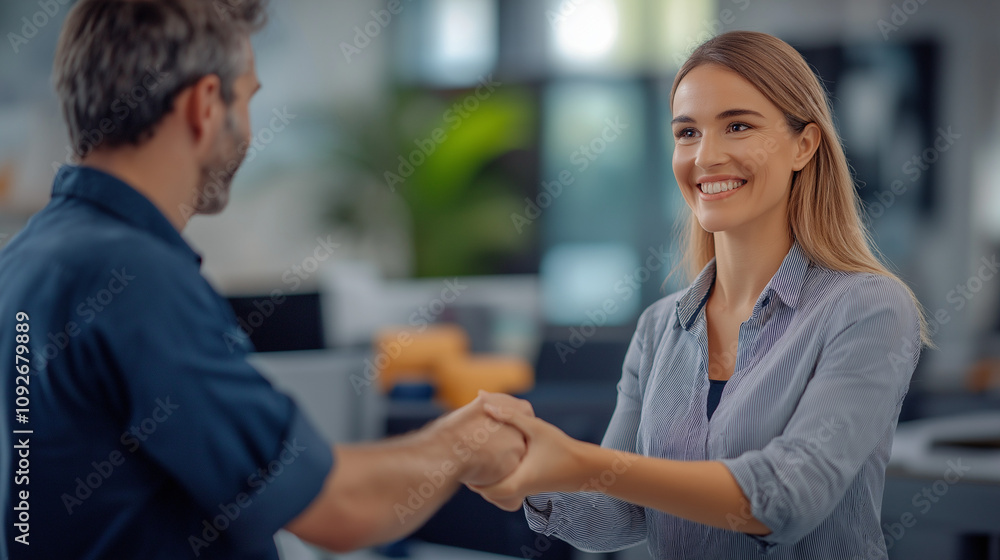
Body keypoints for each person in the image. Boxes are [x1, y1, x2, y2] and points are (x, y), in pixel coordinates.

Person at [0, 1, 531, 558]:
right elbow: (336, 509)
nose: (249, 131)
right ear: (206, 105)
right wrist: (462, 444)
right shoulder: (136, 281)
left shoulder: (27, 260)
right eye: (248, 99)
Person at [469, 31, 928, 559]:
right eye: (687, 132)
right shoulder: (660, 327)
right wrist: (524, 464)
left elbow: (786, 499)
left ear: (804, 145)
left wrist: (575, 460)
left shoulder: (867, 308)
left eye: (738, 126)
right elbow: (617, 515)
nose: (705, 156)